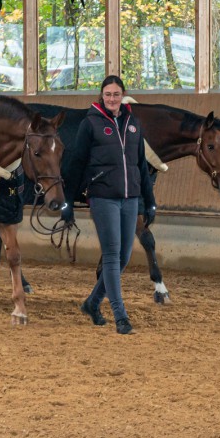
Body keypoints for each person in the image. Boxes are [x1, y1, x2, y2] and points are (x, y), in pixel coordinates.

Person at [61, 75, 157, 335]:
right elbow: (76, 163)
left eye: (116, 94)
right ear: (101, 96)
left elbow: (141, 166)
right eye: (108, 94)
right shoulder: (90, 124)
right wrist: (67, 200)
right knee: (112, 256)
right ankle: (120, 316)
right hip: (103, 197)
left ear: (123, 95)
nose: (112, 98)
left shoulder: (134, 124)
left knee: (124, 257)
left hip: (130, 198)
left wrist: (149, 201)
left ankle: (92, 303)